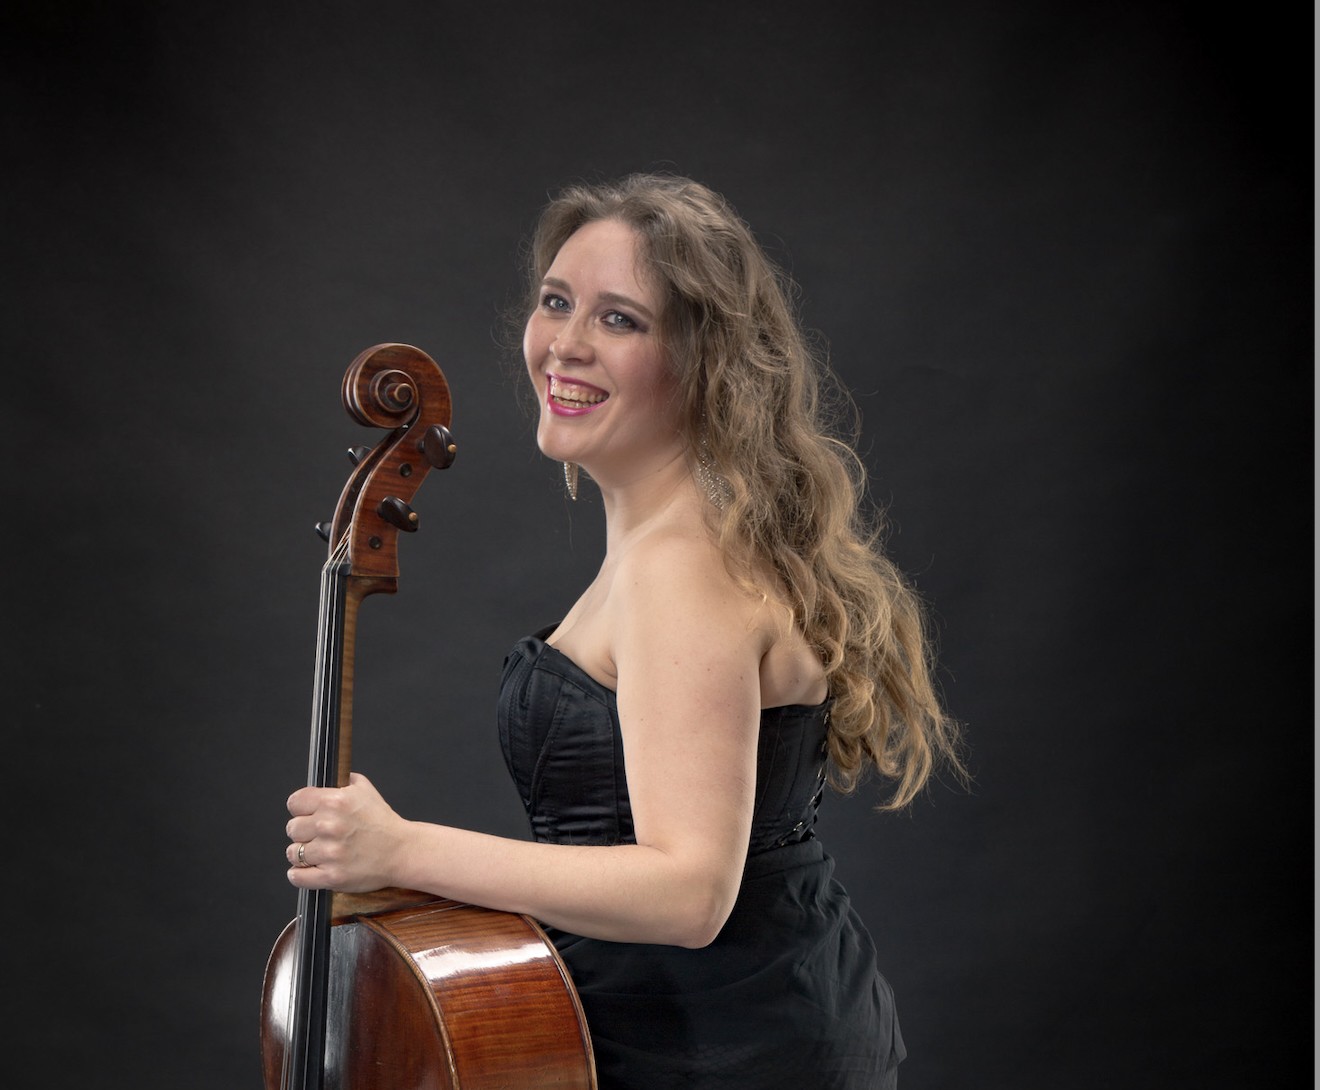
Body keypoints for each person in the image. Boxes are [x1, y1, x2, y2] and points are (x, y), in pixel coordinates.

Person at [284, 173, 964, 1088]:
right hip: (720, 1021)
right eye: (556, 302)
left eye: (619, 320)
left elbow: (690, 894)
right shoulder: (675, 544)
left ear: (703, 361)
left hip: (718, 1047)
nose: (565, 344)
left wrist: (404, 849)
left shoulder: (681, 566)